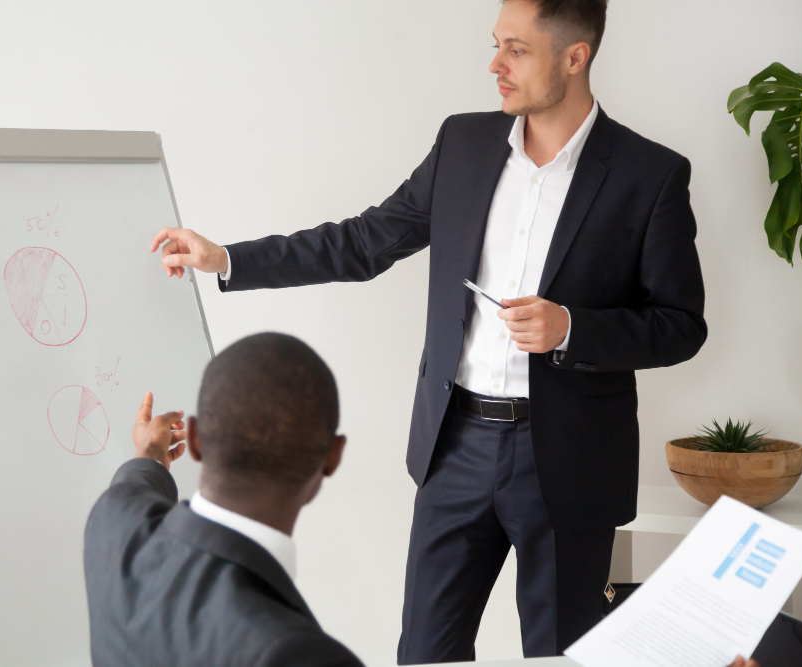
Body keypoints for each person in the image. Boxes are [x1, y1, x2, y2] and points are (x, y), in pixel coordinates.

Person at [151, 0, 707, 662]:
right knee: (422, 654)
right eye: (496, 44)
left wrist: (570, 328)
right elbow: (361, 243)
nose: (494, 65)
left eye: (516, 49)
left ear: (575, 56)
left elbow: (680, 326)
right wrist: (228, 259)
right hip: (455, 447)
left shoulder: (650, 175)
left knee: (563, 658)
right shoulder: (463, 144)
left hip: (570, 460)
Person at [83, 333, 364, 667]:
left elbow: (135, 485)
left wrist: (151, 450)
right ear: (332, 457)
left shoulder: (113, 522)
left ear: (197, 440)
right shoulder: (297, 654)